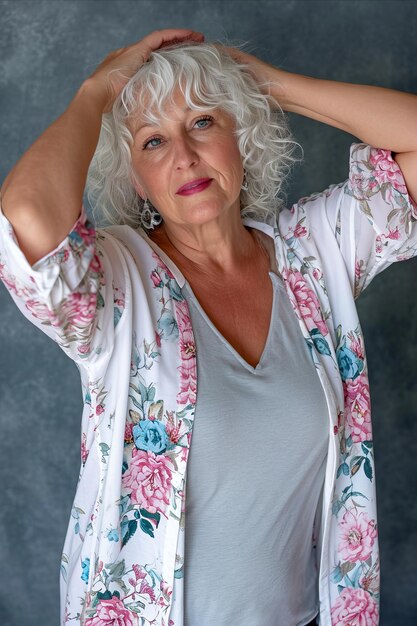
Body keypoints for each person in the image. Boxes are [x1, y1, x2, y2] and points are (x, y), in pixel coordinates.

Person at [0, 27, 416, 626]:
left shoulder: (312, 253)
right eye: (152, 142)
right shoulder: (119, 281)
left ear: (241, 135)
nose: (184, 157)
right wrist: (95, 92)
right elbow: (27, 216)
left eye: (202, 122)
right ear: (137, 180)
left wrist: (268, 85)